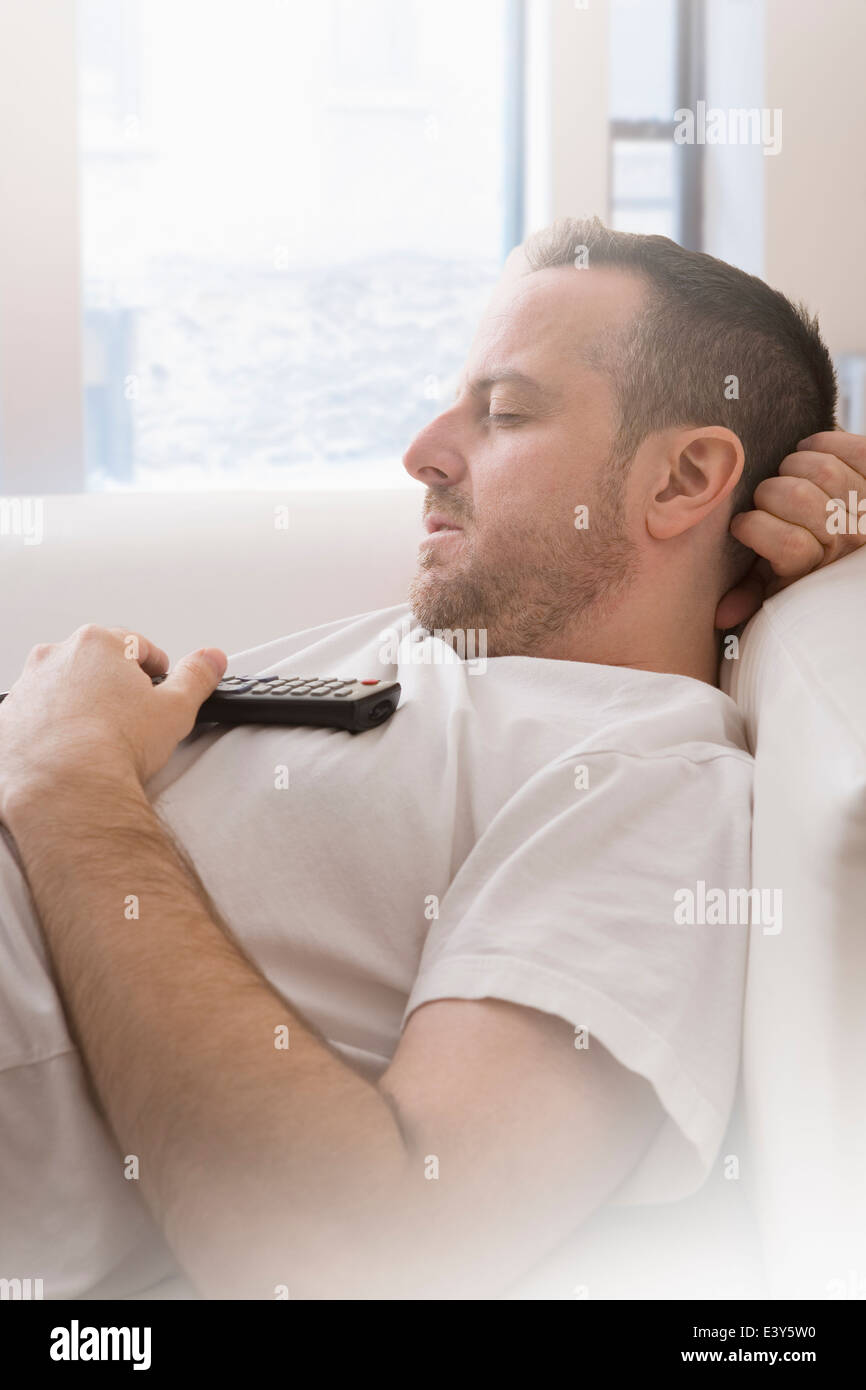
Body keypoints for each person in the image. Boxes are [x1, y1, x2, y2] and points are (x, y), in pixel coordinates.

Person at [1, 218, 864, 1301]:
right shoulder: (445, 659)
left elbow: (364, 1254)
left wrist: (66, 778)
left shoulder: (651, 780)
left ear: (685, 476)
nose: (421, 449)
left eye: (502, 412)